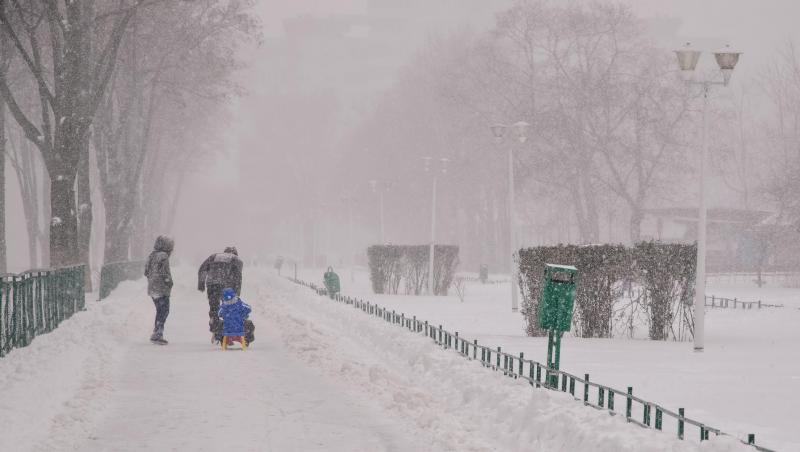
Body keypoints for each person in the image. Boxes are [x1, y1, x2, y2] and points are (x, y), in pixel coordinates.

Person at [198, 247, 243, 342]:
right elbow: (238, 278)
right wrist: (236, 293)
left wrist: (201, 283)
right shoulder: (236, 259)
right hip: (226, 285)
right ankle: (226, 333)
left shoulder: (214, 256)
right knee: (228, 309)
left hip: (212, 284)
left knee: (214, 308)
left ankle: (215, 329)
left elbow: (202, 268)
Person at [144, 235, 174, 345]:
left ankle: (157, 332)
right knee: (164, 311)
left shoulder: (151, 255)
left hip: (152, 288)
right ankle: (157, 333)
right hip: (162, 288)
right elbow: (165, 273)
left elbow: (146, 272)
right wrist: (169, 282)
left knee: (160, 310)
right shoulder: (163, 256)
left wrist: (152, 279)